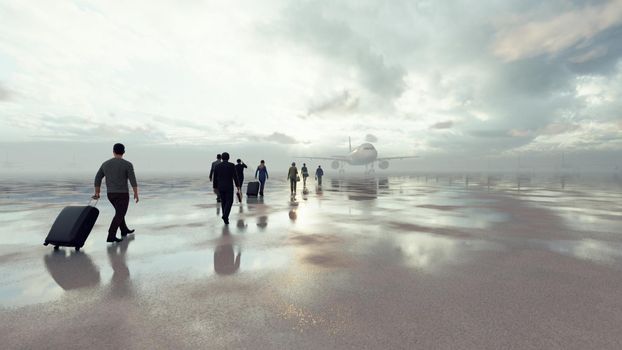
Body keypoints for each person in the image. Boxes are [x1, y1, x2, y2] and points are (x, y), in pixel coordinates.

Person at [93, 143, 139, 243]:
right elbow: (133, 180)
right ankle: (111, 235)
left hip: (111, 194)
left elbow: (97, 178)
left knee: (119, 212)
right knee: (120, 213)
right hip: (122, 194)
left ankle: (124, 229)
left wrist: (97, 192)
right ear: (123, 152)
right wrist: (136, 193)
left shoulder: (105, 164)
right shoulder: (128, 164)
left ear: (113, 152)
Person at [212, 152, 241, 225]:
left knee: (223, 202)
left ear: (222, 158)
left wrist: (215, 187)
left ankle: (226, 218)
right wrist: (238, 185)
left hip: (220, 186)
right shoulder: (232, 165)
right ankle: (225, 216)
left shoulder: (217, 166)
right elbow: (235, 176)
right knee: (229, 201)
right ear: (228, 158)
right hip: (229, 186)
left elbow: (215, 177)